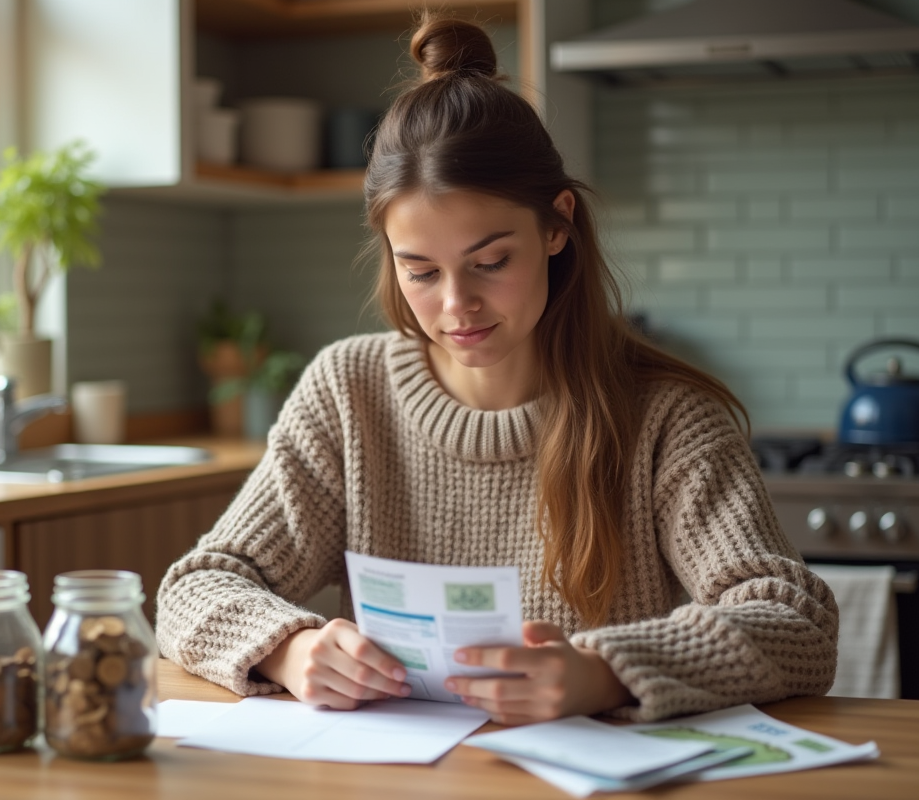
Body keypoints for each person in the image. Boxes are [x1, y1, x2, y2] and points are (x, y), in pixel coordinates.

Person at [157, 15, 838, 724]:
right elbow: (196, 588)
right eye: (420, 271)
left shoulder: (664, 418)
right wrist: (290, 650)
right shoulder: (347, 393)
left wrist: (604, 674)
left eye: (490, 262)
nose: (457, 306)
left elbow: (797, 626)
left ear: (556, 225)